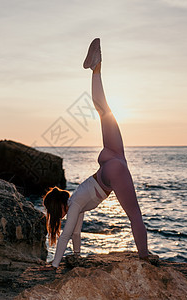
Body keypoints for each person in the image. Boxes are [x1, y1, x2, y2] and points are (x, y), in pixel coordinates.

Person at [41, 38, 149, 270]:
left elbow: (66, 235)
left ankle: (145, 258)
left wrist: (54, 265)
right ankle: (96, 69)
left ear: (59, 208)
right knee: (103, 110)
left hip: (110, 171)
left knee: (134, 215)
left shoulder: (77, 203)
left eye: (55, 214)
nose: (59, 219)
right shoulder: (76, 203)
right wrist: (76, 256)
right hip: (112, 158)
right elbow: (76, 233)